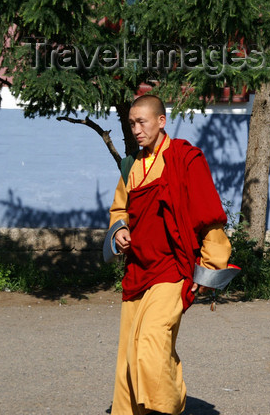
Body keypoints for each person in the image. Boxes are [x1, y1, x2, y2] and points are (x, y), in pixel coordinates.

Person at [107, 94, 232, 415]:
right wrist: (119, 229)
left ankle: (168, 407)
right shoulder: (131, 166)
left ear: (161, 121)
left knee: (151, 342)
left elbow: (208, 215)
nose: (136, 130)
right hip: (137, 270)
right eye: (132, 123)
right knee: (129, 355)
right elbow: (120, 210)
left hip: (172, 269)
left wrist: (211, 267)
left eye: (142, 122)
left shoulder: (185, 158)